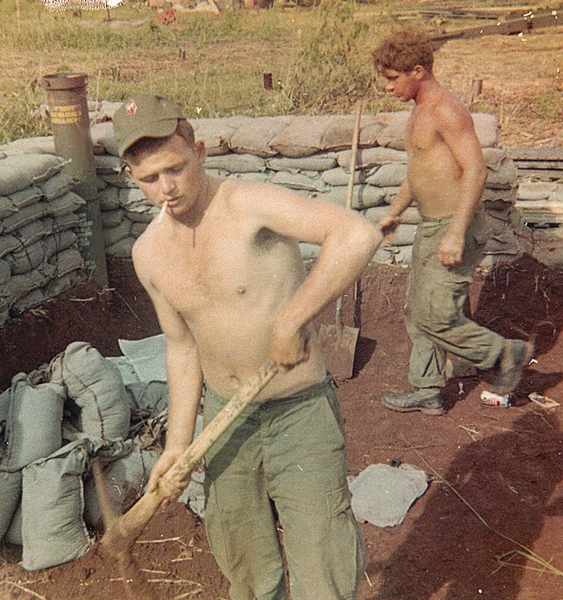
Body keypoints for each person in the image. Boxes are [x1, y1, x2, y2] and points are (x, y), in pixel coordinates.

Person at [112, 94, 383, 599]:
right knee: (247, 569)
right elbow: (181, 348)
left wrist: (292, 319)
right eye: (149, 179)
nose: (166, 189)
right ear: (131, 177)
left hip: (298, 415)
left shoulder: (249, 206)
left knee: (323, 567)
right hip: (224, 426)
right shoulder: (148, 253)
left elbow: (356, 234)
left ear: (201, 152)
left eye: (175, 168)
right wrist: (177, 444)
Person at [372, 28, 533, 416]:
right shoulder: (420, 111)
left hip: (454, 226)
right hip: (432, 226)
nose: (387, 87)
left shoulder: (445, 108)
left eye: (393, 79)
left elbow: (476, 171)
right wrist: (394, 211)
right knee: (417, 310)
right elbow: (420, 172)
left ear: (418, 71)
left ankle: (507, 353)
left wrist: (456, 234)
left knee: (437, 316)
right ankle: (427, 388)